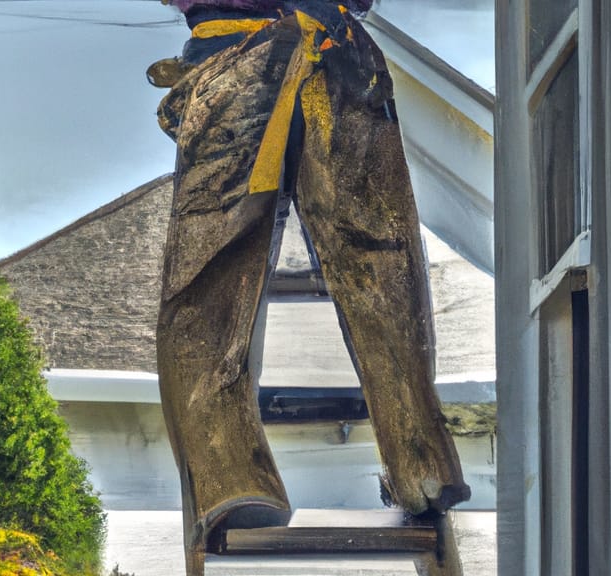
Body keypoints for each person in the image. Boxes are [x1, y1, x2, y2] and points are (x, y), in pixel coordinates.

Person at [151, 1, 470, 572]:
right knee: (375, 263)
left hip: (273, 59)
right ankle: (418, 463)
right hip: (312, 56)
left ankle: (233, 476)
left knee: (215, 282)